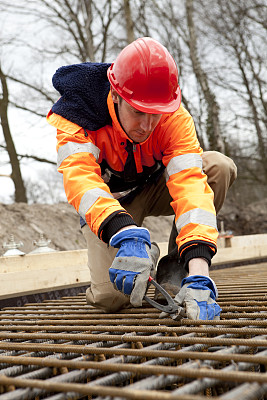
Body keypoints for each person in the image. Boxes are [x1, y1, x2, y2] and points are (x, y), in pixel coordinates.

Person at [47, 37, 237, 320]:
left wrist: (200, 272)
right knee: (110, 297)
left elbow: (191, 189)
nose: (147, 126)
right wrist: (123, 234)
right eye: (137, 112)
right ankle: (145, 250)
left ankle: (176, 266)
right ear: (115, 95)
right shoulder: (77, 115)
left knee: (218, 167)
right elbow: (82, 181)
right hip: (110, 202)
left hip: (157, 187)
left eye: (155, 115)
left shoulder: (174, 116)